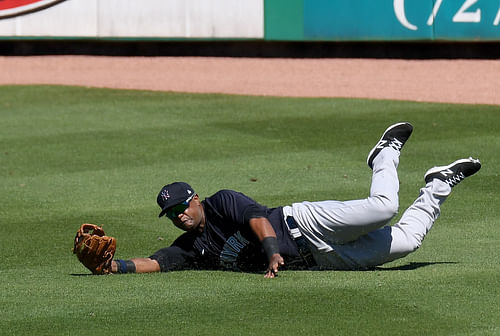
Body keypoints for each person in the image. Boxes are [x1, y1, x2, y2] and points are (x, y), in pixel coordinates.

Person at [110, 122, 481, 278]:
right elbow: (157, 262)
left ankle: (384, 153)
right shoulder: (192, 247)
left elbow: (257, 219)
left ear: (195, 199)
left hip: (302, 222)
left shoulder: (220, 203)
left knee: (384, 207)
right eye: (170, 214)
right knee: (408, 241)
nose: (177, 217)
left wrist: (271, 250)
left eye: (179, 208)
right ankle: (439, 183)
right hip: (322, 259)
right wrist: (114, 267)